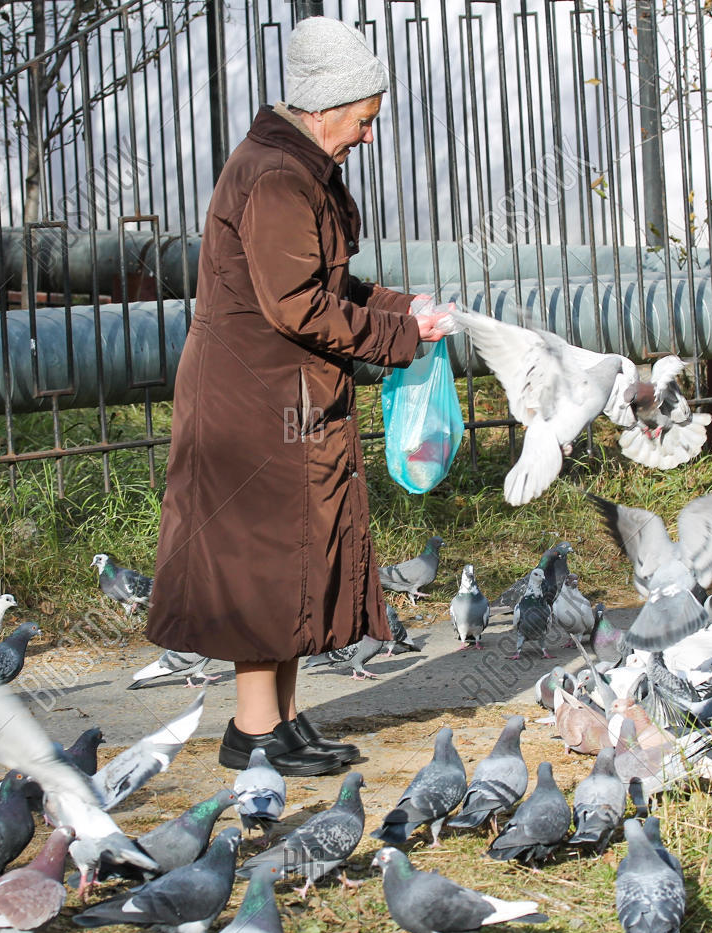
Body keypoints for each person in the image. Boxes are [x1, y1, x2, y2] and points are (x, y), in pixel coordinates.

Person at [145, 17, 452, 776]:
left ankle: (280, 720)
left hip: (274, 390)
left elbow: (324, 283)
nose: (368, 135)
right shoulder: (280, 177)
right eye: (364, 119)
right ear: (325, 106)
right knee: (264, 558)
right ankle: (253, 733)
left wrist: (397, 308)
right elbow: (297, 307)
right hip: (254, 403)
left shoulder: (290, 167)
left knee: (290, 556)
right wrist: (400, 340)